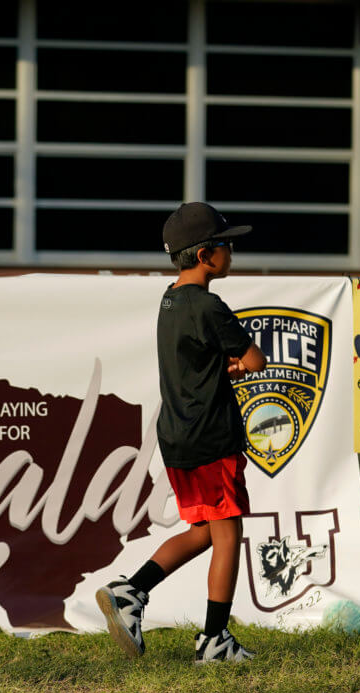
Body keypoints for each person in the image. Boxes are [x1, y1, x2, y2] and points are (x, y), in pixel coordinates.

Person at [96, 202, 267, 664]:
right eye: (226, 245)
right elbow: (255, 361)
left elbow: (195, 365)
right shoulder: (210, 306)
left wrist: (220, 368)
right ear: (205, 255)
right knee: (228, 535)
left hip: (177, 437)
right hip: (212, 438)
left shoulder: (170, 300)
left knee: (205, 531)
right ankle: (214, 640)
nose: (232, 252)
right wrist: (234, 363)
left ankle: (131, 591)